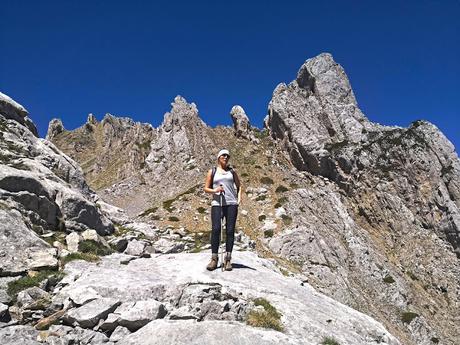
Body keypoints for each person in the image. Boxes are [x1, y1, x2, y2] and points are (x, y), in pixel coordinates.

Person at [204, 149, 241, 271]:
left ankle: (228, 259)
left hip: (231, 204)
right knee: (216, 229)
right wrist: (215, 190)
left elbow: (239, 186)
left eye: (227, 156)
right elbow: (206, 188)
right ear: (219, 157)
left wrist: (238, 199)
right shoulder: (213, 171)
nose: (226, 157)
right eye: (223, 155)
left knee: (230, 231)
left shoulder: (232, 172)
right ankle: (214, 259)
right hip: (217, 203)